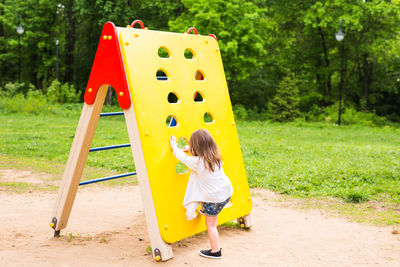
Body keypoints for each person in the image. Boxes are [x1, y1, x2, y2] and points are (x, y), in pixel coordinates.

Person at [169, 129, 233, 259]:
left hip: (214, 199)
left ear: (197, 148)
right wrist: (189, 148)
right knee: (210, 199)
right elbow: (200, 151)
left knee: (211, 225)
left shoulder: (197, 162)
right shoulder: (216, 156)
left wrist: (174, 146)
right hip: (226, 193)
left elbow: (182, 157)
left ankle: (215, 251)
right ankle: (208, 210)